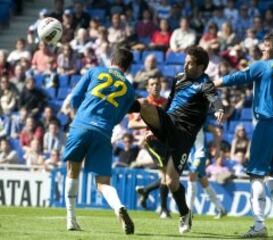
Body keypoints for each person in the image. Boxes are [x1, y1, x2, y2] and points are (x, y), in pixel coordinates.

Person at [214, 32, 273, 238]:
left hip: (267, 125)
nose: (262, 48)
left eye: (266, 45)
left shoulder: (263, 65)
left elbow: (238, 77)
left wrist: (214, 83)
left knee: (256, 174)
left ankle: (259, 224)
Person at [131, 46, 223, 234]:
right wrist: (155, 127)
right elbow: (169, 103)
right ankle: (113, 107)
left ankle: (185, 214)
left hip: (184, 135)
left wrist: (219, 108)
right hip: (169, 123)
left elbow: (214, 98)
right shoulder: (179, 79)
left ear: (201, 67)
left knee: (172, 182)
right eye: (186, 61)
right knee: (144, 104)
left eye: (190, 63)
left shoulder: (205, 83)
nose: (186, 65)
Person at [62, 48, 135, 234]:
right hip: (103, 132)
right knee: (103, 182)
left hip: (81, 126)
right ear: (128, 68)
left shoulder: (95, 71)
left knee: (73, 170)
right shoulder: (129, 88)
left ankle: (71, 220)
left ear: (111, 60)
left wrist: (84, 111)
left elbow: (76, 97)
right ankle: (118, 207)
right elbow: (118, 118)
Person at [130, 77, 171, 218]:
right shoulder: (143, 103)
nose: (156, 86)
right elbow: (132, 124)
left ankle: (146, 190)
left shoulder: (166, 102)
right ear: (147, 88)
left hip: (167, 142)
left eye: (158, 83)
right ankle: (164, 210)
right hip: (153, 143)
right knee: (166, 173)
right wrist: (148, 125)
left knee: (171, 175)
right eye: (152, 84)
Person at [187, 123, 226, 219]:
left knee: (191, 176)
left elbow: (215, 131)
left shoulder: (199, 118)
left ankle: (188, 211)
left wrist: (217, 148)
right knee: (203, 181)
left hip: (199, 154)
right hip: (190, 155)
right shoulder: (183, 117)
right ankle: (221, 208)